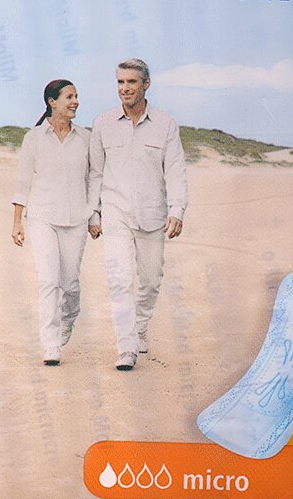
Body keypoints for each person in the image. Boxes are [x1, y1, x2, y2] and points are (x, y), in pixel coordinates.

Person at [89, 59, 188, 371]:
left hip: (152, 214)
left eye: (131, 82)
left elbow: (175, 170)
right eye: (120, 82)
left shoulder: (165, 124)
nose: (125, 88)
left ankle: (141, 325)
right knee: (119, 280)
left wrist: (177, 210)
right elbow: (95, 173)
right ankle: (126, 347)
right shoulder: (103, 123)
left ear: (146, 84)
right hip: (115, 213)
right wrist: (94, 213)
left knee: (150, 280)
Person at [11, 79, 98, 366]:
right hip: (42, 218)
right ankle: (50, 344)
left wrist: (94, 216)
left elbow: (93, 180)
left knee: (69, 283)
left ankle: (69, 317)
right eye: (69, 97)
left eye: (76, 96)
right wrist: (17, 221)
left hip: (76, 219)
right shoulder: (34, 138)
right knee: (48, 280)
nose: (75, 102)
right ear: (52, 102)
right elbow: (23, 181)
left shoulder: (85, 138)